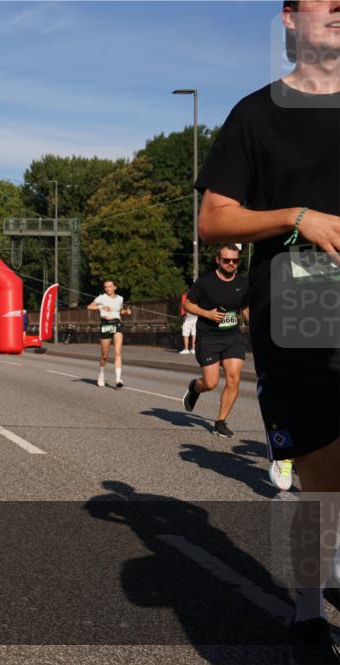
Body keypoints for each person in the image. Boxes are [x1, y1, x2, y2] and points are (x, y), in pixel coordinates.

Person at [195, 5, 340, 659]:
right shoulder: (256, 114)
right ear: (288, 17)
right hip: (298, 304)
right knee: (321, 469)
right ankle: (309, 613)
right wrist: (297, 217)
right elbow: (214, 220)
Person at [181, 245, 250, 438]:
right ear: (218, 260)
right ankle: (195, 387)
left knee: (233, 377)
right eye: (227, 260)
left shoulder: (243, 283)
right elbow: (187, 304)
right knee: (211, 383)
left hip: (232, 337)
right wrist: (206, 314)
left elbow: (245, 308)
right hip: (208, 338)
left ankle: (220, 422)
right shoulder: (205, 282)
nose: (231, 263)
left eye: (235, 260)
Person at [88, 279, 131, 388]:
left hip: (117, 324)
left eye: (110, 286)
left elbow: (119, 311)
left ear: (115, 287)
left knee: (117, 352)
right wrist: (100, 307)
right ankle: (101, 374)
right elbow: (89, 306)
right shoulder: (101, 297)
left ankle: (118, 379)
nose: (108, 289)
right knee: (105, 355)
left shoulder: (120, 298)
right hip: (106, 324)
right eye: (106, 287)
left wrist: (126, 312)